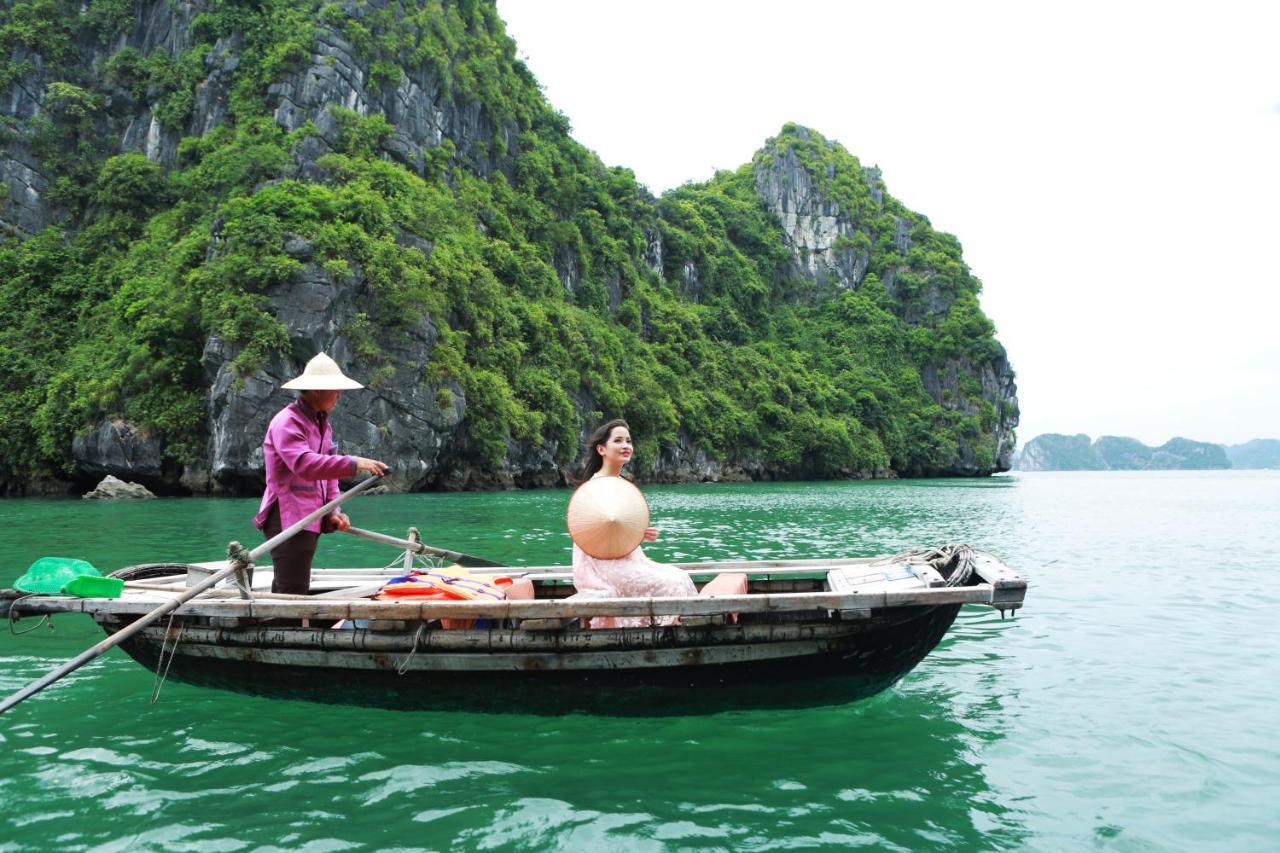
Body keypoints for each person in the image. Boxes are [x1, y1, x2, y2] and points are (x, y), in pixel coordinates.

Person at [253, 353, 388, 594]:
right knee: (291, 589)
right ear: (316, 391)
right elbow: (305, 464)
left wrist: (334, 510)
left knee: (296, 585)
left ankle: (294, 627)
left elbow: (328, 476)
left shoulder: (322, 424)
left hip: (311, 515)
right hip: (288, 515)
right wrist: (356, 463)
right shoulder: (288, 422)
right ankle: (285, 631)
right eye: (335, 389)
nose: (339, 395)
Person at [569, 419, 696, 627]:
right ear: (601, 449)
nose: (626, 445)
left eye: (628, 441)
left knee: (681, 577)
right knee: (672, 583)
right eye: (618, 441)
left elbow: (614, 525)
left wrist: (639, 533)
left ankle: (668, 629)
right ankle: (664, 633)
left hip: (628, 559)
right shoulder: (595, 488)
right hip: (602, 566)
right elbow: (592, 530)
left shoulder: (620, 485)